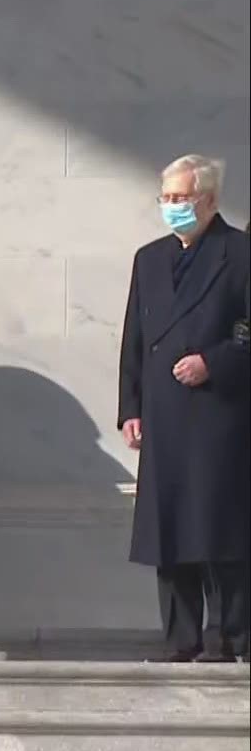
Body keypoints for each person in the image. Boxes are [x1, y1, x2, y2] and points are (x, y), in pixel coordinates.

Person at [118, 154, 249, 663]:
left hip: (220, 416)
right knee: (169, 530)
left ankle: (230, 636)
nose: (171, 208)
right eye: (166, 199)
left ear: (210, 200)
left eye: (181, 198)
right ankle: (180, 637)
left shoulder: (240, 254)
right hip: (164, 417)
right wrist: (131, 406)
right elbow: (134, 337)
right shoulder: (149, 259)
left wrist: (213, 363)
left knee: (220, 530)